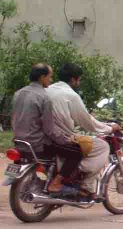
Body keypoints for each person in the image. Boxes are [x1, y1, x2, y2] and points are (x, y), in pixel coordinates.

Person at [44, 63, 120, 198]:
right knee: (102, 146)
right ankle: (85, 183)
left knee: (83, 142)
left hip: (43, 136)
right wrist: (109, 128)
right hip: (61, 137)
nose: (79, 83)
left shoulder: (47, 90)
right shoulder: (70, 95)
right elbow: (87, 122)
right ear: (73, 79)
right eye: (79, 79)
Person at [10, 63, 83, 196]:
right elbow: (49, 129)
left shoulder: (18, 93)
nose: (51, 80)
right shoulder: (44, 97)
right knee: (76, 151)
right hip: (37, 144)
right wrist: (66, 139)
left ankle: (48, 178)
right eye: (50, 76)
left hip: (19, 141)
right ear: (42, 77)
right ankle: (57, 184)